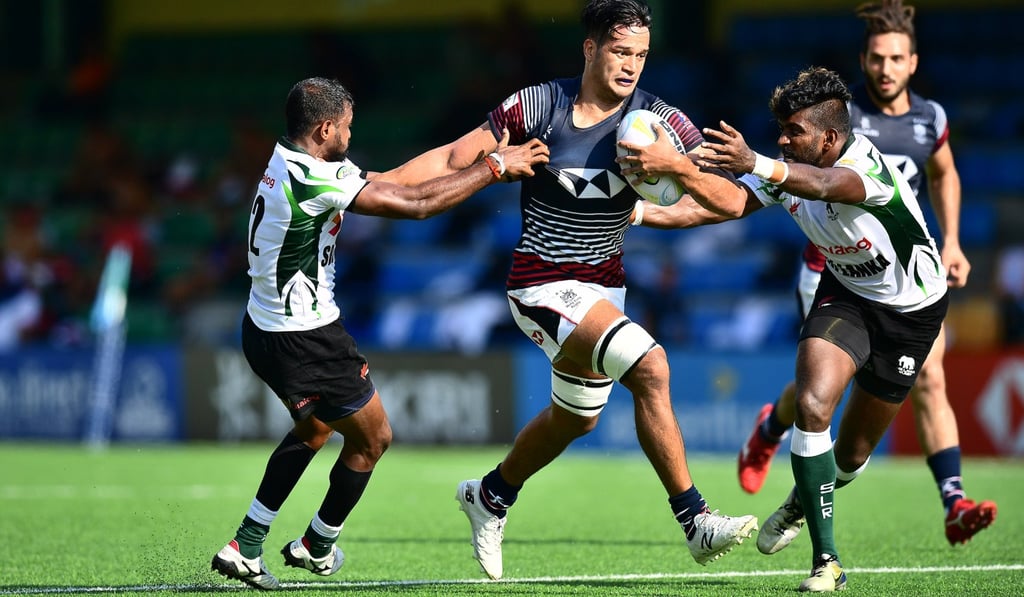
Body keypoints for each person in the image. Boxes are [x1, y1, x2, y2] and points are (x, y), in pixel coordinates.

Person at [381, 0, 758, 581]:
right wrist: (372, 186)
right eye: (620, 51)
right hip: (539, 285)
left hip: (605, 289)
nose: (631, 66)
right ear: (590, 48)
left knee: (576, 418)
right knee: (652, 368)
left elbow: (731, 201)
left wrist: (675, 170)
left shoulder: (661, 123)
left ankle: (489, 496)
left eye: (641, 54)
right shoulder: (537, 106)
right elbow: (455, 156)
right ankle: (696, 521)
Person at [210, 77, 549, 590]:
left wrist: (470, 152)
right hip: (307, 337)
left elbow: (395, 179)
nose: (352, 132)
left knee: (316, 429)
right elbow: (415, 207)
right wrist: (493, 168)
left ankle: (248, 544)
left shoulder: (296, 162)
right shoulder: (315, 180)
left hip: (266, 328)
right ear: (325, 128)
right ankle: (317, 546)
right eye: (346, 125)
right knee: (374, 439)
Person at [621, 66, 949, 591]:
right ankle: (828, 562)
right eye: (781, 130)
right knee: (815, 406)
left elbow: (823, 186)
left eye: (793, 131)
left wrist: (755, 161)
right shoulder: (790, 165)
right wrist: (636, 208)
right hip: (844, 295)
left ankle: (800, 501)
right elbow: (724, 205)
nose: (782, 139)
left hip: (912, 314)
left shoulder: (864, 169)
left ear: (830, 138)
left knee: (852, 457)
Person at [734, 0, 996, 548]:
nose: (885, 68)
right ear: (865, 59)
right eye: (877, 58)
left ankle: (953, 500)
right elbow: (812, 182)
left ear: (913, 63)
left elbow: (944, 176)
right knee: (820, 389)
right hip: (830, 268)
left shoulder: (932, 120)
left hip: (904, 273)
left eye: (896, 58)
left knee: (926, 380)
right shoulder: (840, 120)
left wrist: (950, 240)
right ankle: (772, 430)